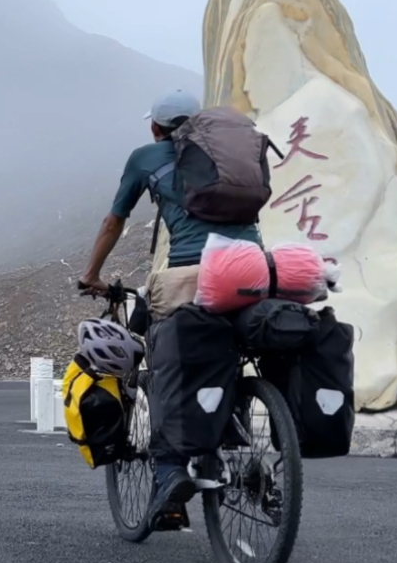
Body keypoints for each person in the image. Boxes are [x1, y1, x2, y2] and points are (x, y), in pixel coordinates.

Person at [76, 89, 263, 529]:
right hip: (255, 267)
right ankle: (234, 420)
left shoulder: (146, 157)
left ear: (156, 127)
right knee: (233, 342)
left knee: (162, 357)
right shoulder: (226, 155)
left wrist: (91, 276)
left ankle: (169, 476)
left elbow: (113, 221)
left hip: (193, 274)